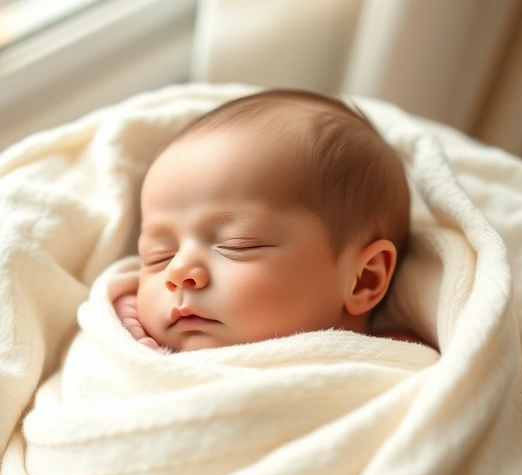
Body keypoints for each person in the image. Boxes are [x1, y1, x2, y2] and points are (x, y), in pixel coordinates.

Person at [115, 89, 420, 352]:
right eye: (158, 257)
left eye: (238, 245)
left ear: (364, 279)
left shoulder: (401, 373)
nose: (178, 271)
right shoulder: (130, 340)